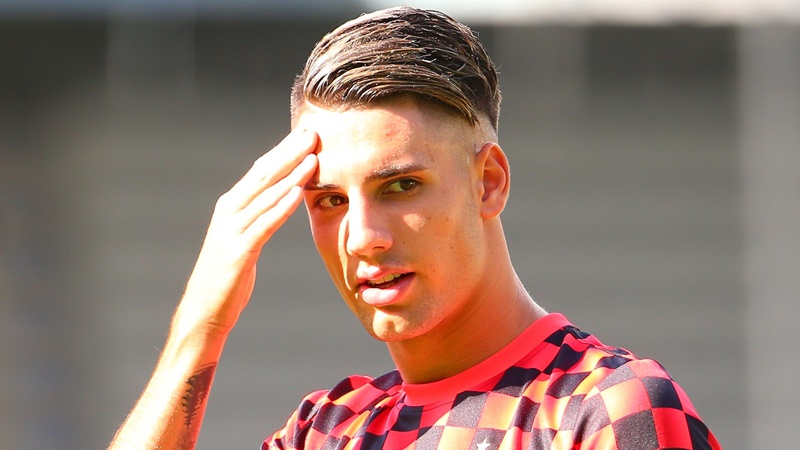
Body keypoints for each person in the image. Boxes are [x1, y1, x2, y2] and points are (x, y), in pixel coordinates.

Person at [108, 6, 721, 450]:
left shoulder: (603, 410)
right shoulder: (327, 433)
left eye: (400, 186)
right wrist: (200, 330)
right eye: (329, 200)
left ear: (489, 182)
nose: (362, 237)